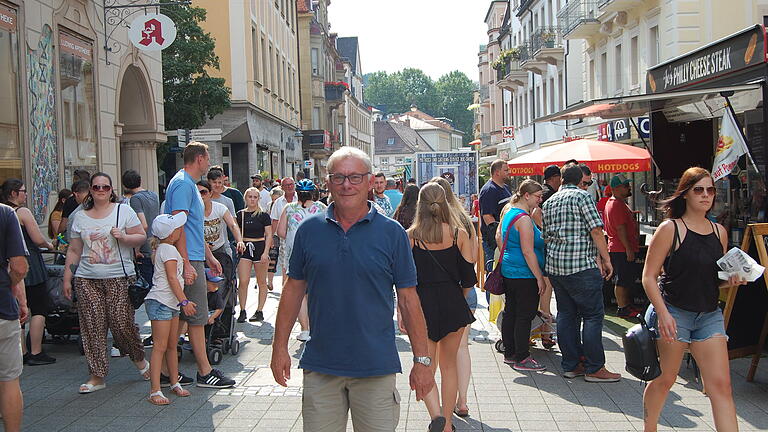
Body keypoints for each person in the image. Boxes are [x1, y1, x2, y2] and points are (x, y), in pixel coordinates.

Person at [271, 146, 434, 432]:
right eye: (339, 177)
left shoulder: (391, 232)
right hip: (321, 365)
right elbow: (293, 290)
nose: (347, 184)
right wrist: (279, 347)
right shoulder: (309, 231)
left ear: (370, 182)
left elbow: (409, 300)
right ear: (328, 182)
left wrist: (422, 361)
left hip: (376, 366)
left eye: (355, 177)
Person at [642, 167, 744, 432]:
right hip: (675, 312)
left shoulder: (719, 231)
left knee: (721, 386)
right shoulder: (670, 229)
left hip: (709, 315)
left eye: (710, 190)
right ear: (685, 194)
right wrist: (663, 314)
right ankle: (650, 427)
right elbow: (649, 277)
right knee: (665, 379)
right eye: (699, 190)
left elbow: (713, 278)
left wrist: (730, 280)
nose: (706, 195)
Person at [62, 172, 150, 393]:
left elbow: (140, 236)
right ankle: (97, 376)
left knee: (122, 324)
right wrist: (67, 277)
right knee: (92, 327)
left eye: (105, 187)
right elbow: (74, 249)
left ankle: (139, 359)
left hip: (119, 277)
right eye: (96, 187)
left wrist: (124, 237)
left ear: (112, 190)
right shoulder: (81, 216)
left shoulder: (123, 210)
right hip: (86, 277)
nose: (101, 191)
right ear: (90, 190)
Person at [163, 142, 235, 388]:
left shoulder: (186, 183)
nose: (209, 162)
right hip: (187, 257)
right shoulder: (184, 184)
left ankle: (166, 371)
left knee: (184, 315)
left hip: (192, 254)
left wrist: (210, 257)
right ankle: (204, 372)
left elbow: (192, 227)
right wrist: (187, 261)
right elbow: (178, 225)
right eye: (207, 157)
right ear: (200, 159)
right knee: (196, 316)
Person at [542, 163, 620, 382]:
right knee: (593, 316)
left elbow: (545, 235)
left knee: (567, 314)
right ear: (579, 181)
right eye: (587, 182)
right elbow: (596, 229)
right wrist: (606, 258)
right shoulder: (582, 197)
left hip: (557, 266)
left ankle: (571, 364)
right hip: (580, 265)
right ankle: (595, 367)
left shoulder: (549, 202)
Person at [408, 183, 476, 432]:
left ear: (420, 206)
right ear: (445, 203)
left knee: (425, 365)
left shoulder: (411, 236)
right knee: (449, 367)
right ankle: (447, 424)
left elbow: (405, 281)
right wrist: (459, 295)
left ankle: (435, 414)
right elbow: (469, 279)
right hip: (452, 302)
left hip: (421, 306)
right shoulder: (459, 234)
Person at [1, 180, 55, 366]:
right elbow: (38, 239)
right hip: (28, 262)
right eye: (23, 191)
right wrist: (50, 245)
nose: (25, 194)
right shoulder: (21, 212)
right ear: (14, 193)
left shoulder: (3, 212)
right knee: (39, 307)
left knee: (17, 308)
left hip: (8, 263)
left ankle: (21, 351)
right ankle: (36, 351)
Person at [497, 180, 547, 371]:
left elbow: (500, 238)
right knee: (524, 315)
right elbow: (528, 251)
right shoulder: (523, 218)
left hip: (510, 270)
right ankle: (522, 357)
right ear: (527, 195)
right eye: (537, 196)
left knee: (511, 312)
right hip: (523, 273)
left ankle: (510, 353)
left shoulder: (509, 212)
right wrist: (539, 277)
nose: (540, 200)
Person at [144, 213, 193, 405]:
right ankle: (155, 390)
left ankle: (174, 382)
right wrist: (184, 301)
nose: (181, 230)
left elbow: (174, 277)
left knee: (171, 345)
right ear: (172, 233)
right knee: (161, 347)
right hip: (163, 302)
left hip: (168, 302)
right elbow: (172, 278)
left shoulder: (163, 249)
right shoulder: (169, 251)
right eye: (178, 228)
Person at [276, 179, 327, 341]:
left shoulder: (289, 208)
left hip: (295, 256)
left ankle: (305, 330)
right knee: (316, 292)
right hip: (318, 256)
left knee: (300, 293)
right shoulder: (321, 208)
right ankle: (317, 326)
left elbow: (281, 231)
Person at [0, 202, 28, 432]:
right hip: (1, 307)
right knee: (9, 379)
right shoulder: (5, 213)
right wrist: (9, 287)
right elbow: (19, 267)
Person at [198, 180, 245, 311]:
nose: (201, 195)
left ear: (210, 193)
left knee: (225, 280)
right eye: (198, 192)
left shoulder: (219, 208)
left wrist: (239, 240)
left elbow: (232, 225)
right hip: (201, 252)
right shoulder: (194, 211)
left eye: (204, 192)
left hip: (220, 249)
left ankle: (227, 307)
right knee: (206, 284)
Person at [604, 175, 642, 319]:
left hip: (620, 247)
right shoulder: (616, 204)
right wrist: (628, 248)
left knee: (626, 278)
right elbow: (620, 228)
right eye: (625, 185)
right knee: (623, 279)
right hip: (620, 248)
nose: (628, 187)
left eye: (627, 185)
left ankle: (625, 305)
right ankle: (623, 307)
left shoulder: (616, 202)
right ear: (616, 189)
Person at [236, 188, 273, 323]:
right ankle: (242, 309)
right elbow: (237, 231)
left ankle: (259, 310)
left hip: (259, 247)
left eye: (255, 197)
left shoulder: (263, 215)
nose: (252, 199)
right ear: (246, 198)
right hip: (245, 247)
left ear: (258, 199)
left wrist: (266, 252)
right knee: (244, 280)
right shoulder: (240, 214)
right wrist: (239, 243)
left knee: (261, 281)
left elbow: (269, 234)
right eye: (250, 197)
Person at [124, 170, 160, 287]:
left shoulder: (135, 199)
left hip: (144, 248)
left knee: (145, 286)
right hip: (156, 245)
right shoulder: (154, 195)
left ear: (125, 185)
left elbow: (143, 224)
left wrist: (136, 249)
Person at [479, 159, 511, 266]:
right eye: (506, 170)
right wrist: (498, 238)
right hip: (494, 241)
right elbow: (488, 217)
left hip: (506, 237)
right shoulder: (489, 190)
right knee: (494, 272)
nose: (509, 172)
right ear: (497, 172)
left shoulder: (505, 188)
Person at [270, 177, 296, 282]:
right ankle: (286, 290)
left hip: (300, 237)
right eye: (287, 185)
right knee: (285, 266)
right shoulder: (278, 203)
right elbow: (275, 221)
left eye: (291, 184)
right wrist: (271, 237)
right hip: (284, 239)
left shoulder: (300, 198)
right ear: (282, 188)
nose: (290, 187)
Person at [266, 187, 284, 291]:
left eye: (276, 199)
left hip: (282, 233)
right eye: (273, 199)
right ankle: (270, 281)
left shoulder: (283, 205)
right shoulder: (269, 206)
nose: (274, 201)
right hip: (273, 234)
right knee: (272, 257)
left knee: (283, 260)